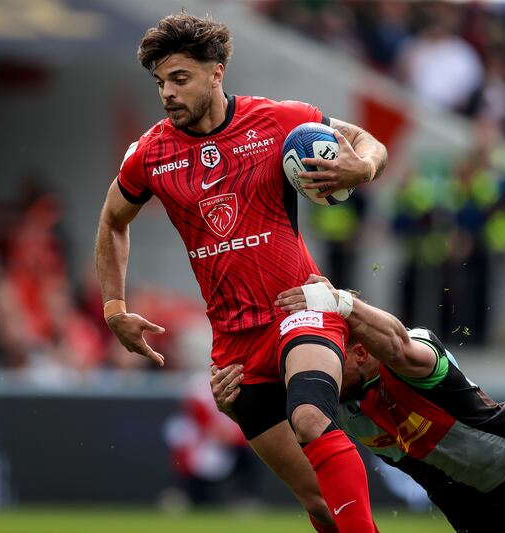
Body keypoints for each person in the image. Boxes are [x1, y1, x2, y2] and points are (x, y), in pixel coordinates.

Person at [94, 12, 387, 533]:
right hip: (234, 349)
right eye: (160, 82)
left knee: (311, 419)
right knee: (321, 505)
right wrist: (114, 308)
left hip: (301, 309)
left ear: (217, 72)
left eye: (179, 79)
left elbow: (367, 140)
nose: (167, 93)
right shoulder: (150, 154)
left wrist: (361, 167)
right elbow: (113, 220)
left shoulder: (281, 120)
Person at [212, 274, 505, 533]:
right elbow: (314, 491)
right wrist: (240, 408)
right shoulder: (325, 402)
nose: (318, 365)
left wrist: (342, 303)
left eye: (332, 353)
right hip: (462, 496)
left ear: (361, 352)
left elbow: (397, 344)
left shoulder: (412, 355)